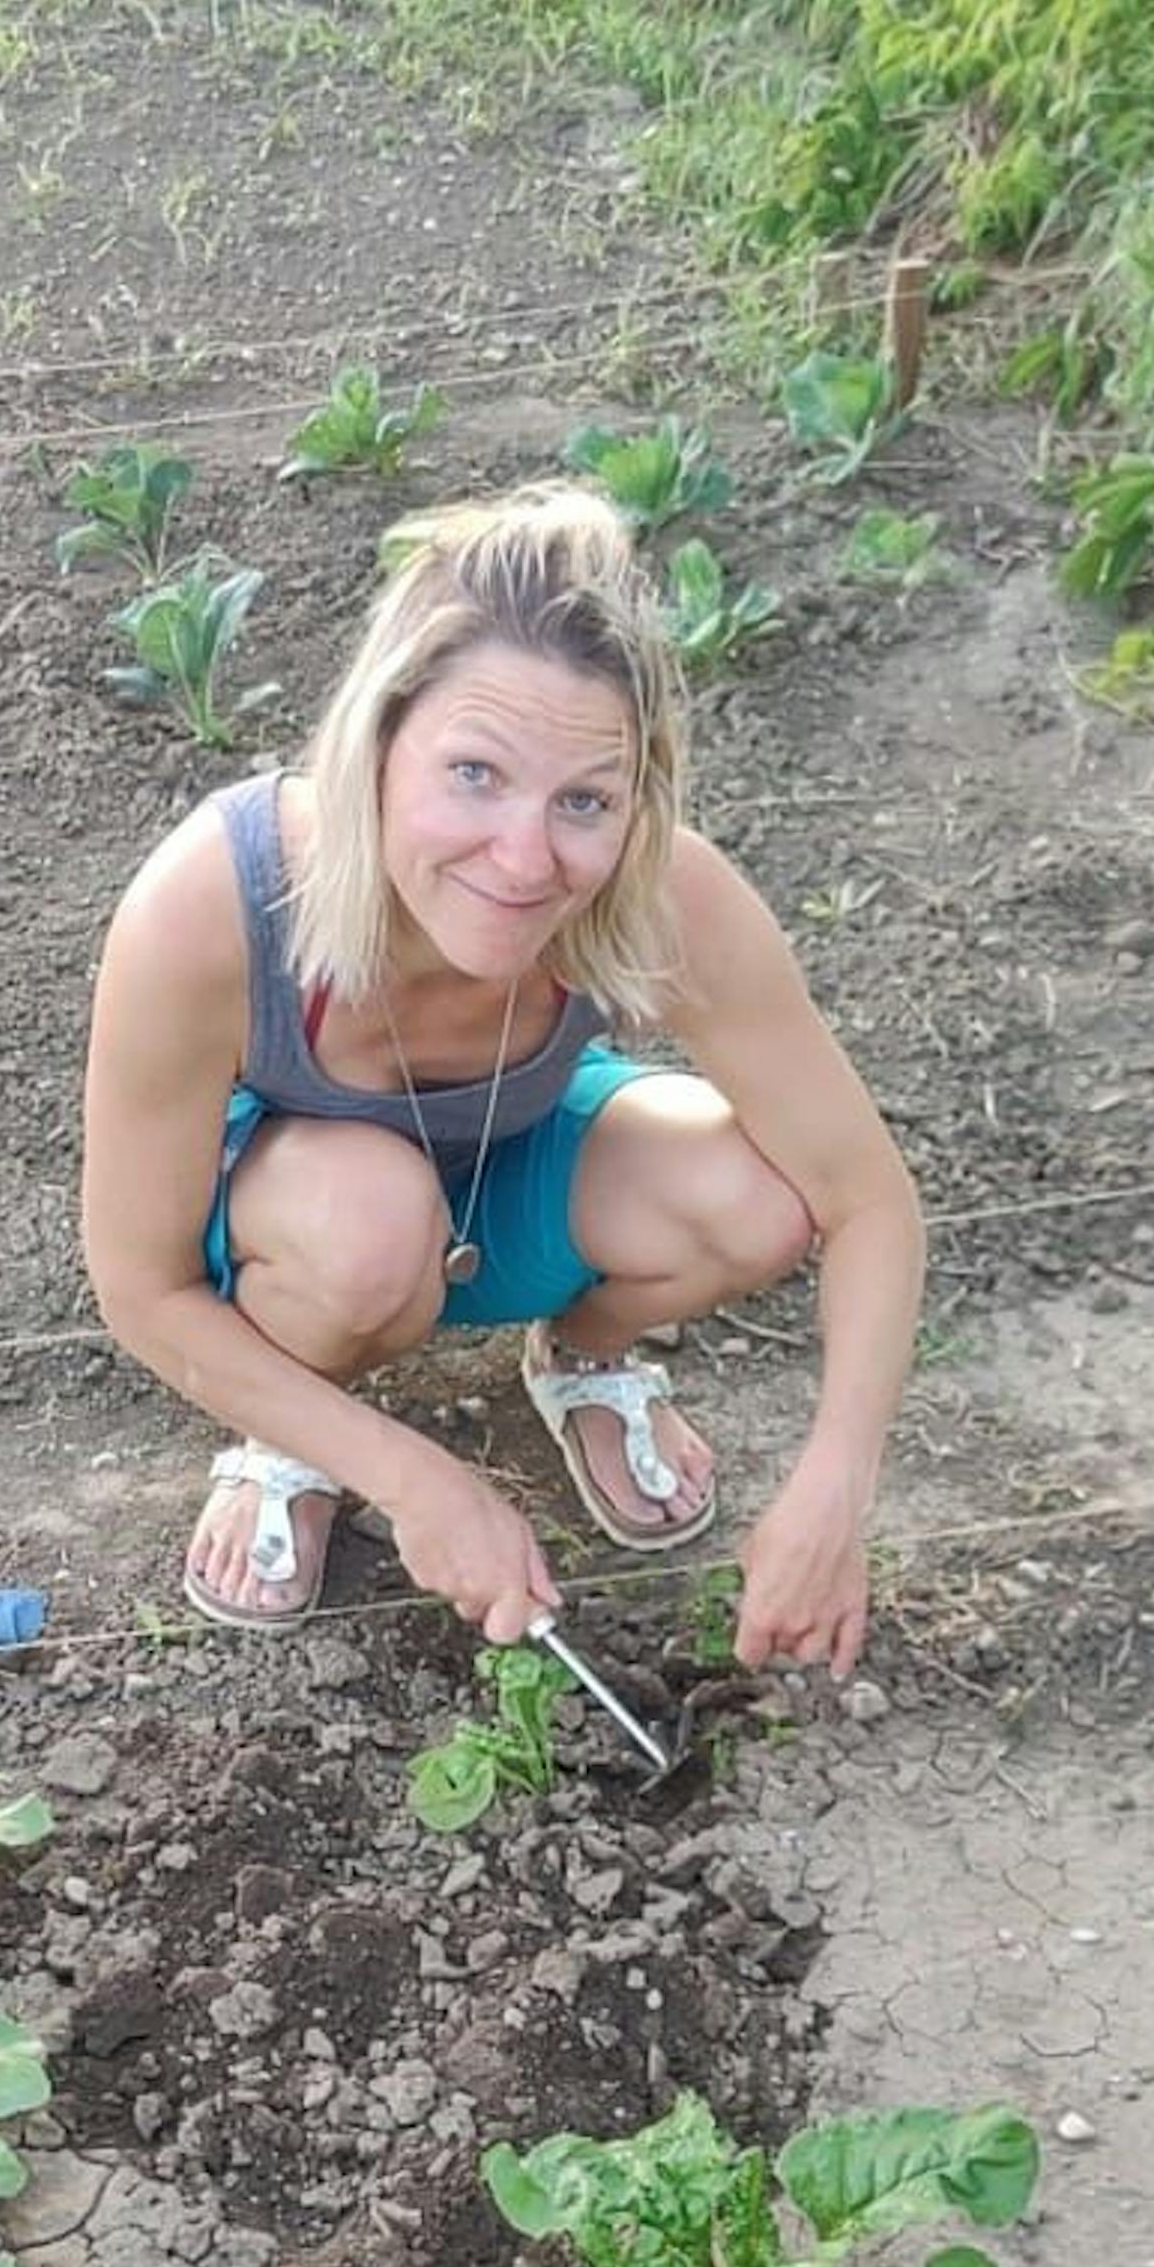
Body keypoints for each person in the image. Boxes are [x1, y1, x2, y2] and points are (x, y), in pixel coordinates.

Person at [81, 479, 924, 1669]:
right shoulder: (213, 905)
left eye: (584, 800)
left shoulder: (663, 889)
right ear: (377, 742)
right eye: (472, 774)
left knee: (757, 1197)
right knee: (365, 1226)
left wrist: (834, 1493)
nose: (524, 859)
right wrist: (412, 1477)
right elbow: (138, 1288)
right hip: (298, 1228)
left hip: (500, 1174)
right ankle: (296, 1436)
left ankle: (577, 1361)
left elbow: (868, 1200)